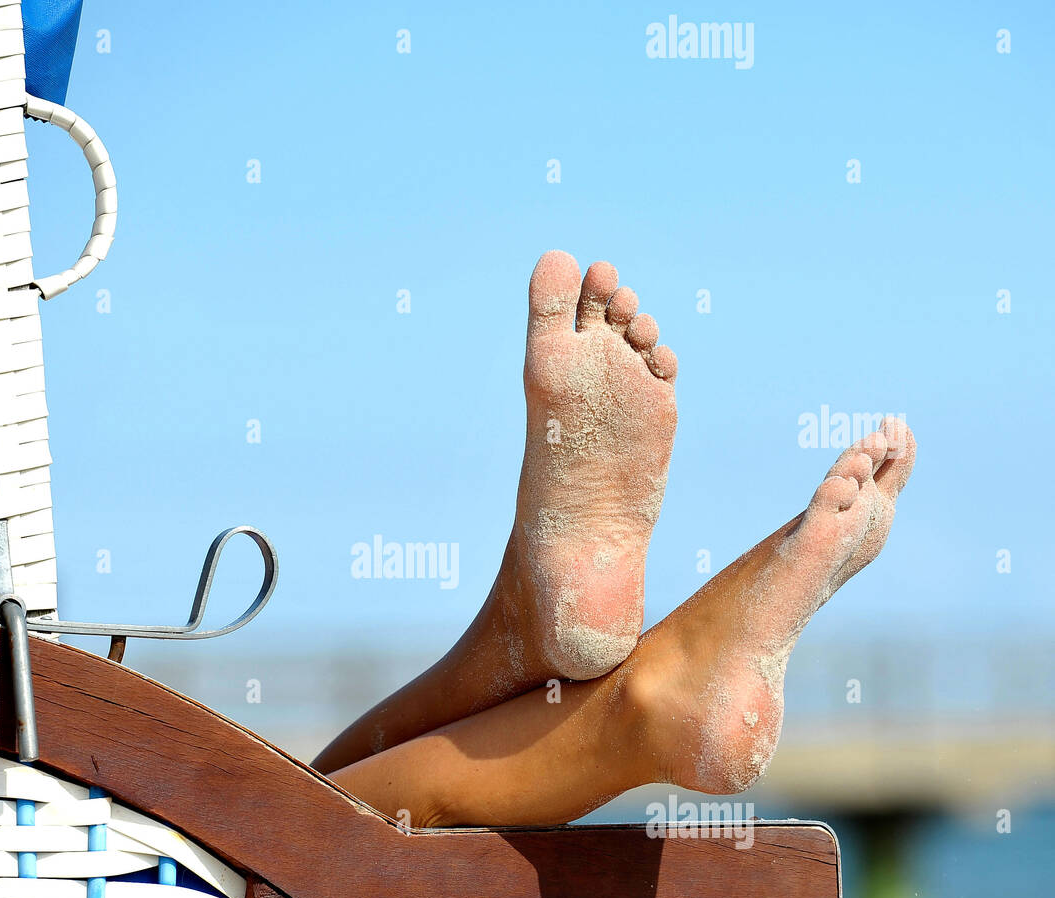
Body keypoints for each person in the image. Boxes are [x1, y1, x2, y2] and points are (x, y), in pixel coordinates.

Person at [313, 251, 915, 829]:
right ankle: (632, 703)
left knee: (286, 808)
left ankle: (526, 644)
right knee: (287, 825)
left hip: (241, 860)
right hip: (263, 867)